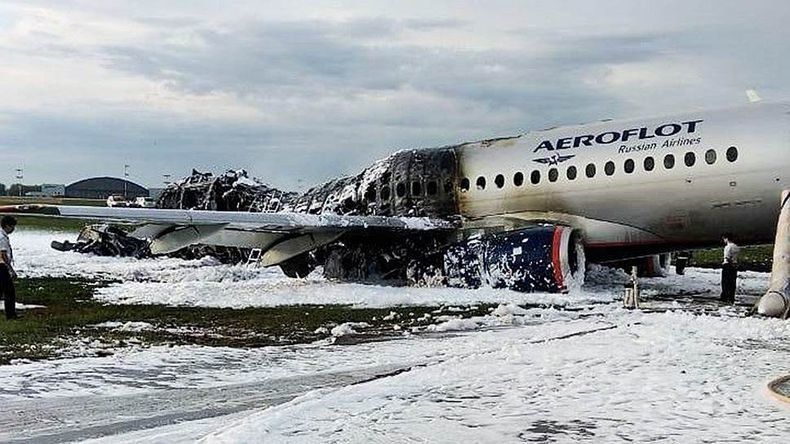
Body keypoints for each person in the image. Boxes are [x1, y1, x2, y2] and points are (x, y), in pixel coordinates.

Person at [0, 215, 18, 319]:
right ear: (7, 226)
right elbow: (3, 254)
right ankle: (11, 315)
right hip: (2, 266)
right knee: (9, 291)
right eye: (12, 227)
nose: (13, 229)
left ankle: (11, 314)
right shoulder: (2, 238)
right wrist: (11, 269)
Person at [720, 233, 739, 304]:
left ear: (727, 239)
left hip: (727, 265)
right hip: (734, 265)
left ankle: (725, 296)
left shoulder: (728, 247)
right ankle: (731, 297)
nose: (724, 240)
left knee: (725, 282)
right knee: (732, 282)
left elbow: (727, 257)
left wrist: (730, 263)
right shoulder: (736, 247)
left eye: (724, 239)